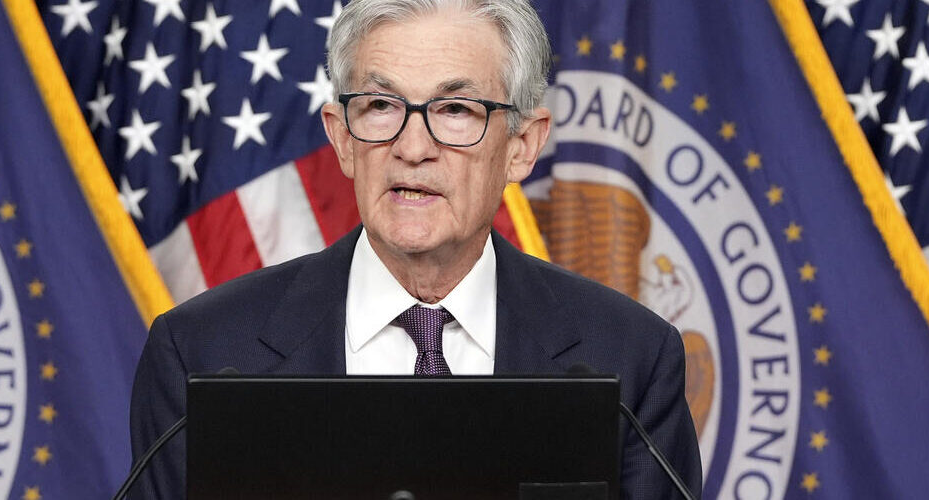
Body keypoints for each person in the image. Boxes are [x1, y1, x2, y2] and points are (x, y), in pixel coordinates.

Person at [129, 0, 702, 498]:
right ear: (342, 138)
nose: (412, 146)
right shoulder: (200, 354)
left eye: (455, 110)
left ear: (522, 147)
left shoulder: (630, 361)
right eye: (381, 106)